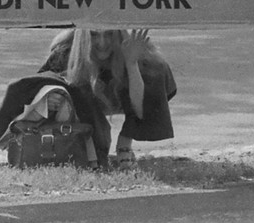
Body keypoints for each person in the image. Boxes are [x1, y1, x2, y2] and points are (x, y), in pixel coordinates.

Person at [39, 27, 177, 167]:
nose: (102, 43)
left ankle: (124, 143)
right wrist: (47, 97)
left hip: (122, 97)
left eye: (109, 34)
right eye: (93, 35)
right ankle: (86, 145)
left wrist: (131, 63)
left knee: (153, 69)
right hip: (88, 102)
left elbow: (142, 109)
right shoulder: (65, 51)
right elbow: (36, 84)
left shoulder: (135, 48)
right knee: (66, 88)